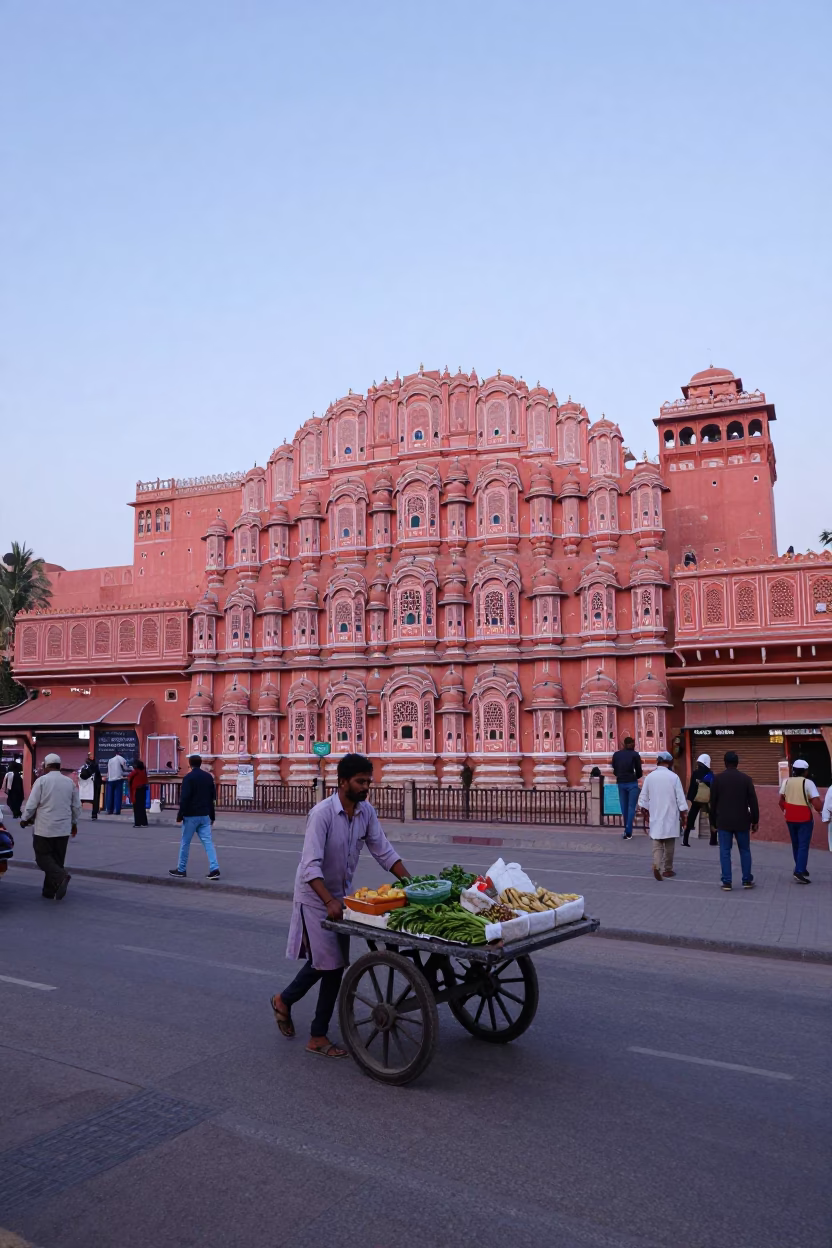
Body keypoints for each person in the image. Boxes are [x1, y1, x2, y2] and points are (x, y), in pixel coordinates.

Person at [271, 753, 409, 1059]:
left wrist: (410, 882)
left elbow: (383, 851)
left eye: (368, 782)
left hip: (341, 897)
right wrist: (328, 900)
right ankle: (317, 1036)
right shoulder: (321, 815)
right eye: (360, 782)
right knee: (330, 966)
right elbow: (310, 867)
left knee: (329, 963)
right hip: (316, 895)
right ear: (342, 781)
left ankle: (284, 1000)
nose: (365, 788)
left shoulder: (365, 812)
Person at [19, 753, 80, 900]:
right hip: (63, 828)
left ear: (46, 766)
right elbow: (76, 806)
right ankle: (49, 891)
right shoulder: (69, 782)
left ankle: (61, 876)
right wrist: (74, 823)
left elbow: (32, 804)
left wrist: (24, 819)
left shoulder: (41, 781)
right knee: (57, 860)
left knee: (42, 858)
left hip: (44, 828)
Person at [709, 751, 759, 891]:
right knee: (745, 850)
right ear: (737, 763)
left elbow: (712, 802)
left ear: (725, 763)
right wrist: (755, 820)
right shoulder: (746, 779)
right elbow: (753, 802)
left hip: (723, 822)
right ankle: (747, 880)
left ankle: (727, 882)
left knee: (725, 851)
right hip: (742, 821)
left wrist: (713, 822)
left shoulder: (718, 779)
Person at [637, 751, 687, 880]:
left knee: (657, 843)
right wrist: (684, 814)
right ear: (670, 763)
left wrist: (645, 811)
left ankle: (657, 865)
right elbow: (680, 799)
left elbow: (643, 798)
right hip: (671, 816)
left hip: (655, 815)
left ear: (658, 761)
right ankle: (668, 870)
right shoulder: (674, 777)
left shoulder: (650, 777)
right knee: (669, 843)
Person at [169, 755, 220, 880]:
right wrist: (212, 815)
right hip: (205, 814)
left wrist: (180, 814)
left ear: (190, 764)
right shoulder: (208, 777)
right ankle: (215, 868)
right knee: (208, 843)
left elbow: (185, 798)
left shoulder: (188, 778)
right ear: (201, 763)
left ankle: (181, 869)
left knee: (185, 842)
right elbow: (212, 798)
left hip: (191, 815)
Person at [778, 759, 822, 884]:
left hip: (790, 818)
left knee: (796, 844)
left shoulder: (786, 782)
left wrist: (786, 811)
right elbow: (817, 804)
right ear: (805, 771)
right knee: (803, 845)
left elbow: (781, 801)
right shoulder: (808, 783)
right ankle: (799, 871)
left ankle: (800, 867)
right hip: (804, 818)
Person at [611, 735, 643, 840]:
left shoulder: (616, 755)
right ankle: (628, 831)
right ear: (632, 744)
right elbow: (639, 770)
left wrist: (621, 775)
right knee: (631, 807)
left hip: (621, 782)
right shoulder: (635, 754)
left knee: (624, 807)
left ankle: (626, 829)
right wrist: (635, 776)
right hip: (632, 782)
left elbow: (615, 770)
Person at [683, 753, 714, 846]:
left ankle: (685, 840)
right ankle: (713, 840)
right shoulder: (710, 774)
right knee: (712, 819)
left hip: (696, 799)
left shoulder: (695, 773)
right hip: (706, 800)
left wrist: (690, 799)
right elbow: (712, 787)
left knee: (691, 819)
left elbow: (692, 787)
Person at [79, 754, 103, 819]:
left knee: (82, 799)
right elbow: (98, 776)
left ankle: (78, 812)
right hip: (95, 785)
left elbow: (81, 776)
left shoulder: (84, 767)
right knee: (95, 800)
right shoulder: (95, 766)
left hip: (86, 786)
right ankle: (94, 814)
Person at [128, 759, 149, 828]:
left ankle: (137, 823)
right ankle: (144, 822)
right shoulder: (144, 772)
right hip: (143, 790)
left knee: (136, 807)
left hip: (136, 790)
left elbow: (129, 777)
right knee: (142, 807)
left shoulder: (135, 772)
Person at [105, 751, 128, 815]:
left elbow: (108, 771)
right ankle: (117, 810)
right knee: (118, 795)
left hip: (110, 779)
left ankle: (109, 810)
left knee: (110, 795)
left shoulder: (110, 760)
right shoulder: (120, 758)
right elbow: (125, 767)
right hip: (118, 779)